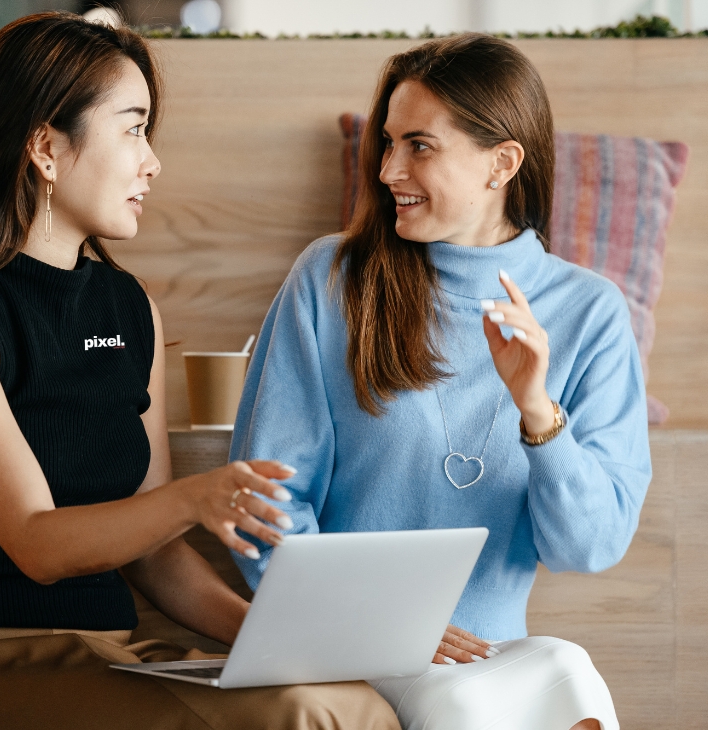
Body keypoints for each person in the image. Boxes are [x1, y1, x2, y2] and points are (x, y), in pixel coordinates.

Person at [0, 13, 400, 730]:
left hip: (106, 653)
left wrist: (292, 647)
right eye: (132, 127)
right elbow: (37, 543)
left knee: (352, 702)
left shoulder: (128, 306)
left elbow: (156, 559)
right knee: (305, 717)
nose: (151, 161)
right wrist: (194, 497)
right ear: (46, 148)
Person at [230, 34, 651, 730]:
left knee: (570, 669)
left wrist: (537, 412)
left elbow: (590, 545)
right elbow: (264, 507)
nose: (389, 167)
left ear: (502, 163)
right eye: (387, 142)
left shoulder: (591, 312)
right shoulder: (332, 279)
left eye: (419, 145)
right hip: (351, 646)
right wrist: (377, 628)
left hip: (492, 649)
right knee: (464, 703)